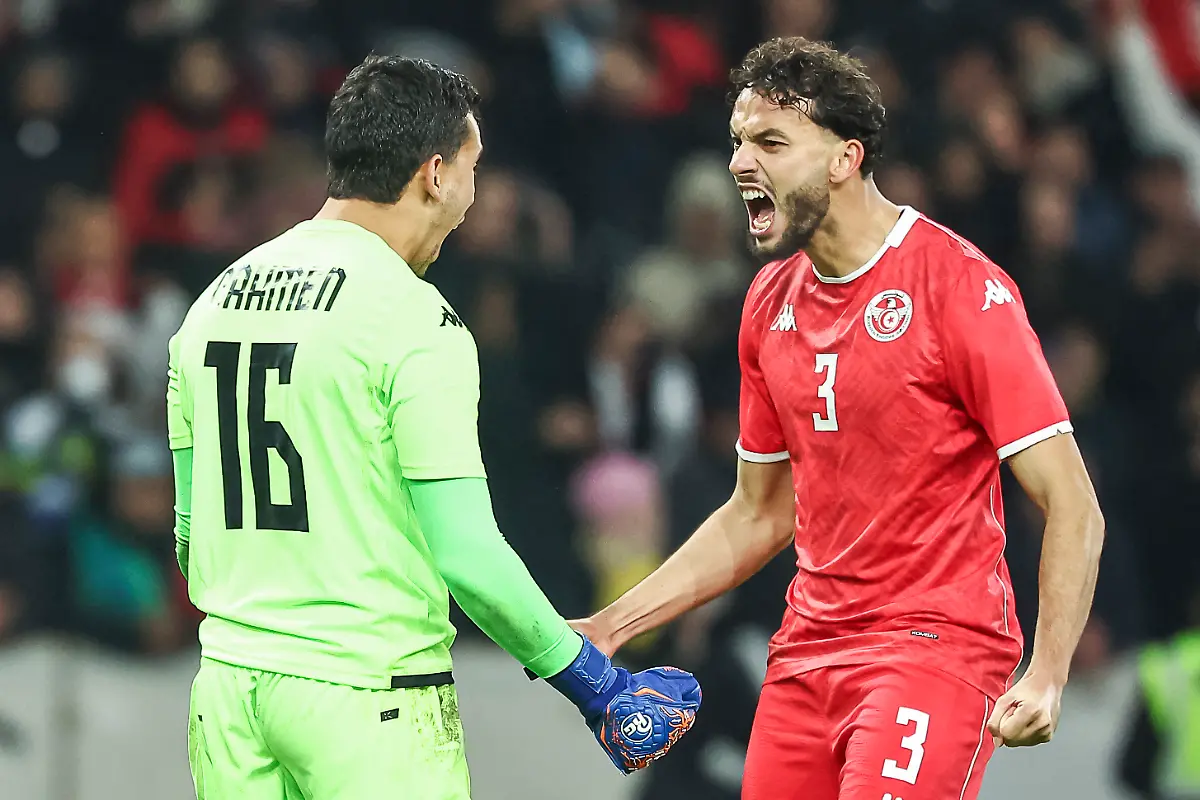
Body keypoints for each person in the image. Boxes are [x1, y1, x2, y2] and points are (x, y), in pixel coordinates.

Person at [571, 37, 1105, 800]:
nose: (738, 163)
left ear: (844, 158)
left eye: (770, 142)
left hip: (932, 650)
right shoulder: (767, 305)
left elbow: (1073, 505)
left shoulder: (959, 288)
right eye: (736, 142)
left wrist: (1048, 672)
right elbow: (758, 514)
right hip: (804, 657)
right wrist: (611, 626)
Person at [165, 55, 700, 800]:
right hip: (369, 697)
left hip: (229, 696)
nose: (474, 196)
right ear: (436, 173)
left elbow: (191, 538)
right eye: (474, 169)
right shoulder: (414, 319)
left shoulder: (214, 302)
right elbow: (467, 554)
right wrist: (595, 683)